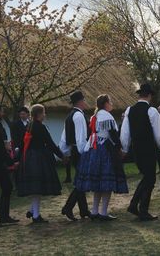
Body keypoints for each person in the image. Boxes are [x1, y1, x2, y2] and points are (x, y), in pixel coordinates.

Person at [75, 95, 128, 221]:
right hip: (105, 150)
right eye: (110, 102)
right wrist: (120, 147)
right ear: (105, 103)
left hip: (94, 150)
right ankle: (103, 212)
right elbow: (113, 135)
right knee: (106, 182)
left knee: (98, 182)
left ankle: (94, 211)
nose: (111, 104)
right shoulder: (106, 116)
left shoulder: (96, 115)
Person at [121, 83, 160, 221]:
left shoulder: (129, 110)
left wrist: (124, 148)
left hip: (136, 148)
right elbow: (159, 134)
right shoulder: (152, 111)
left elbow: (125, 132)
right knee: (150, 178)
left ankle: (135, 206)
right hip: (148, 148)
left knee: (147, 177)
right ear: (149, 95)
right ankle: (141, 209)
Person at [17, 104, 63, 223]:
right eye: (43, 112)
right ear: (38, 114)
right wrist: (62, 156)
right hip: (38, 158)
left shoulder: (29, 126)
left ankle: (33, 210)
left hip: (29, 158)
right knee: (37, 188)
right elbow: (50, 144)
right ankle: (36, 215)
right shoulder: (40, 127)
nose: (45, 115)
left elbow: (22, 145)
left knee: (36, 187)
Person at [60, 91, 91, 221]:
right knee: (81, 182)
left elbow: (64, 137)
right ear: (80, 101)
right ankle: (68, 207)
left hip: (74, 150)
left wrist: (65, 152)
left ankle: (84, 210)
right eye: (83, 100)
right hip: (79, 151)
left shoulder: (70, 116)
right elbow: (80, 137)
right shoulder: (78, 116)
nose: (85, 102)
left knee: (81, 182)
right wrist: (84, 152)